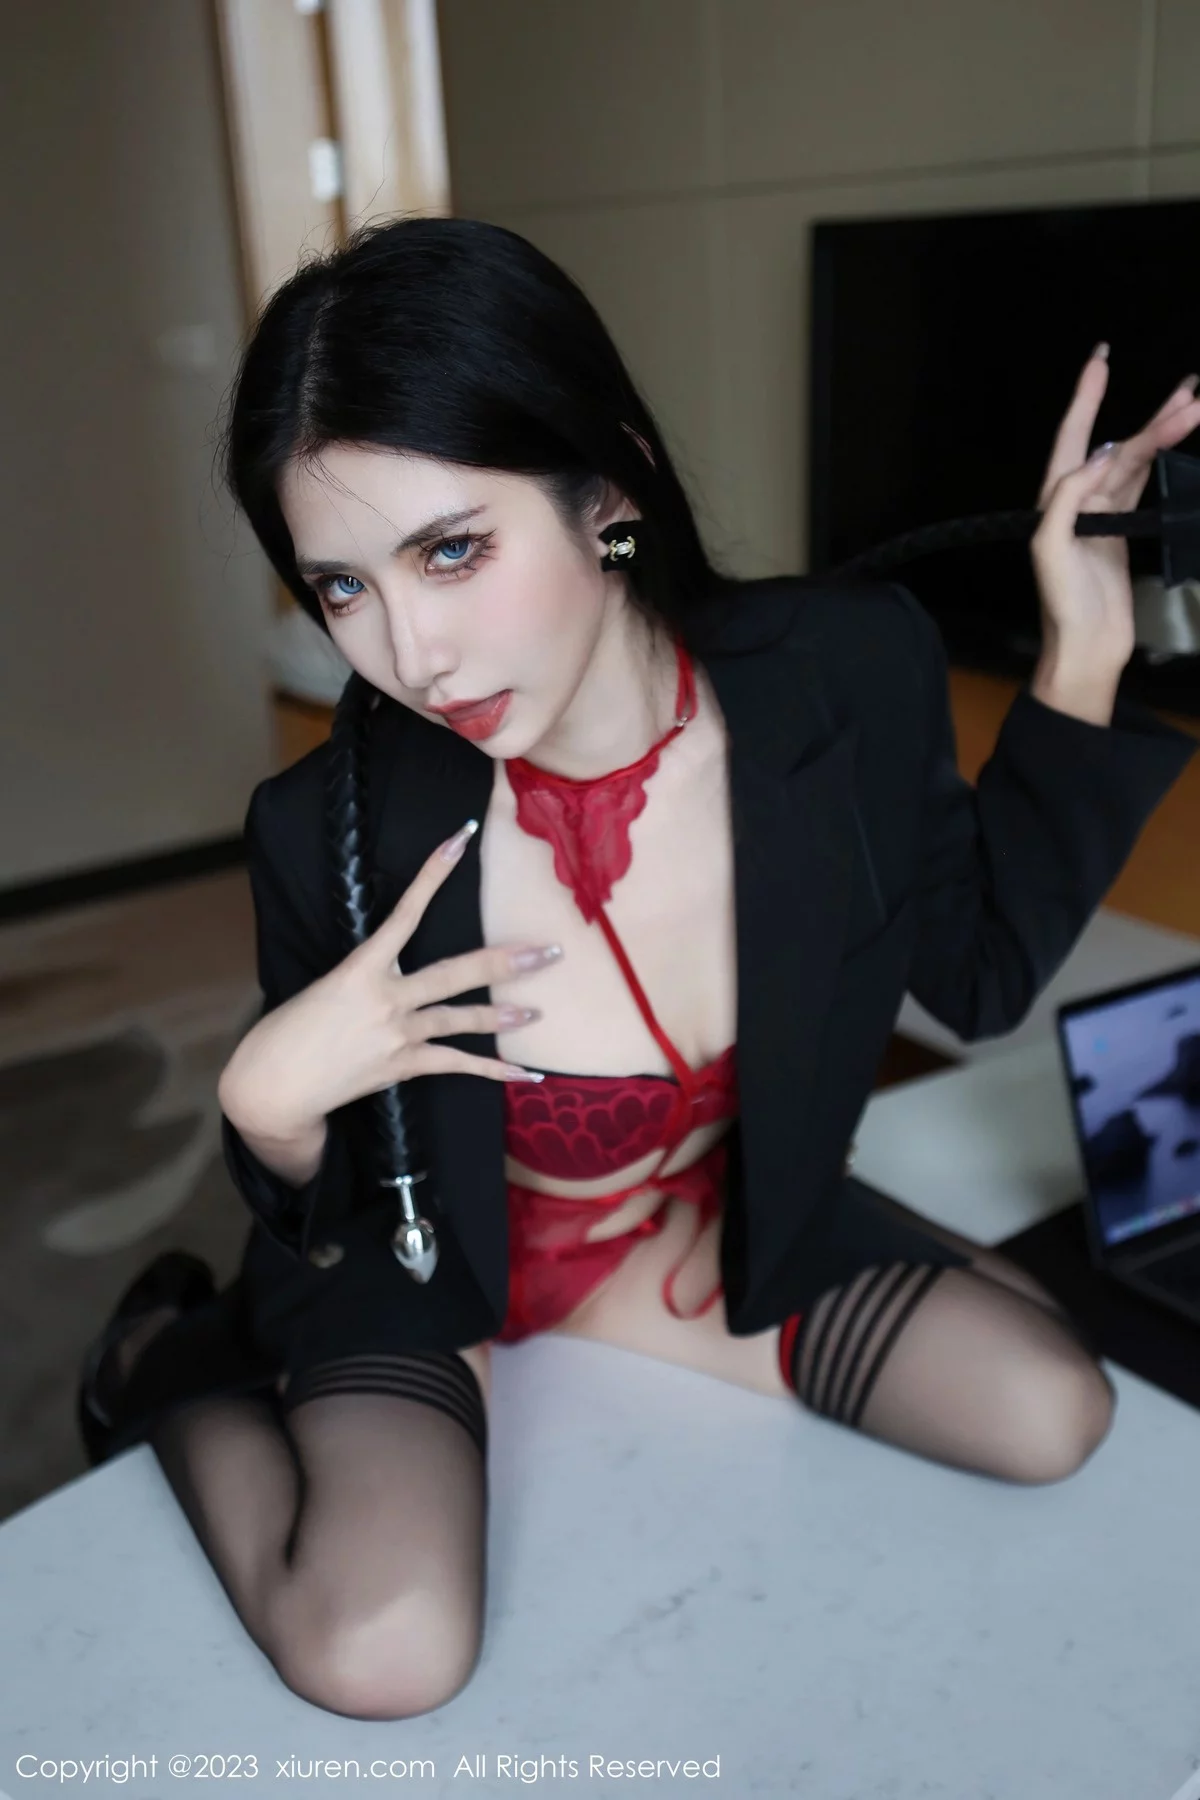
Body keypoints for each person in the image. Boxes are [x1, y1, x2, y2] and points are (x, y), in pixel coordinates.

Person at [77, 216, 1199, 1721]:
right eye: (342, 587)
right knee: (384, 1653)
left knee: (1055, 1410)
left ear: (608, 489)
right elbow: (344, 1204)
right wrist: (266, 1105)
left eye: (452, 550)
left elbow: (981, 975)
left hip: (689, 1229)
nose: (411, 652)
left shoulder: (843, 670)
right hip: (436, 1267)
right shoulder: (331, 822)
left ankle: (642, 1303)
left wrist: (1083, 655)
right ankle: (162, 1361)